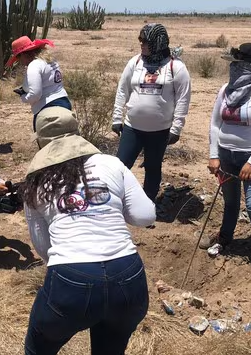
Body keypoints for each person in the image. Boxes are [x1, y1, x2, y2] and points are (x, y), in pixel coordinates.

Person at [20, 106, 156, 354]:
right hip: (128, 275)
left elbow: (44, 248)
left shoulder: (35, 182)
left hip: (71, 277)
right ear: (77, 133)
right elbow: (145, 216)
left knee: (39, 347)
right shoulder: (111, 164)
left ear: (40, 142)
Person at [201, 43, 251, 288]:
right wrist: (213, 154)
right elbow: (215, 123)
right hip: (226, 155)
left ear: (248, 67)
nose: (233, 67)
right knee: (229, 201)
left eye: (237, 63)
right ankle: (225, 237)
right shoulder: (226, 90)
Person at [112, 23, 192, 202]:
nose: (141, 44)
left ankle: (147, 206)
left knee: (153, 168)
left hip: (160, 131)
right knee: (120, 166)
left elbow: (183, 99)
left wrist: (176, 128)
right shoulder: (135, 62)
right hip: (133, 127)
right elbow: (122, 90)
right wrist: (117, 117)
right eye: (140, 40)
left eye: (145, 41)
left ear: (158, 42)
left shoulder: (175, 67)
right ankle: (115, 202)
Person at [6, 36, 71, 132]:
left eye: (18, 58)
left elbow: (35, 94)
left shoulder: (34, 65)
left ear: (23, 55)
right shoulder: (50, 60)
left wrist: (24, 97)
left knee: (47, 146)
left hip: (46, 109)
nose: (19, 62)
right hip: (65, 104)